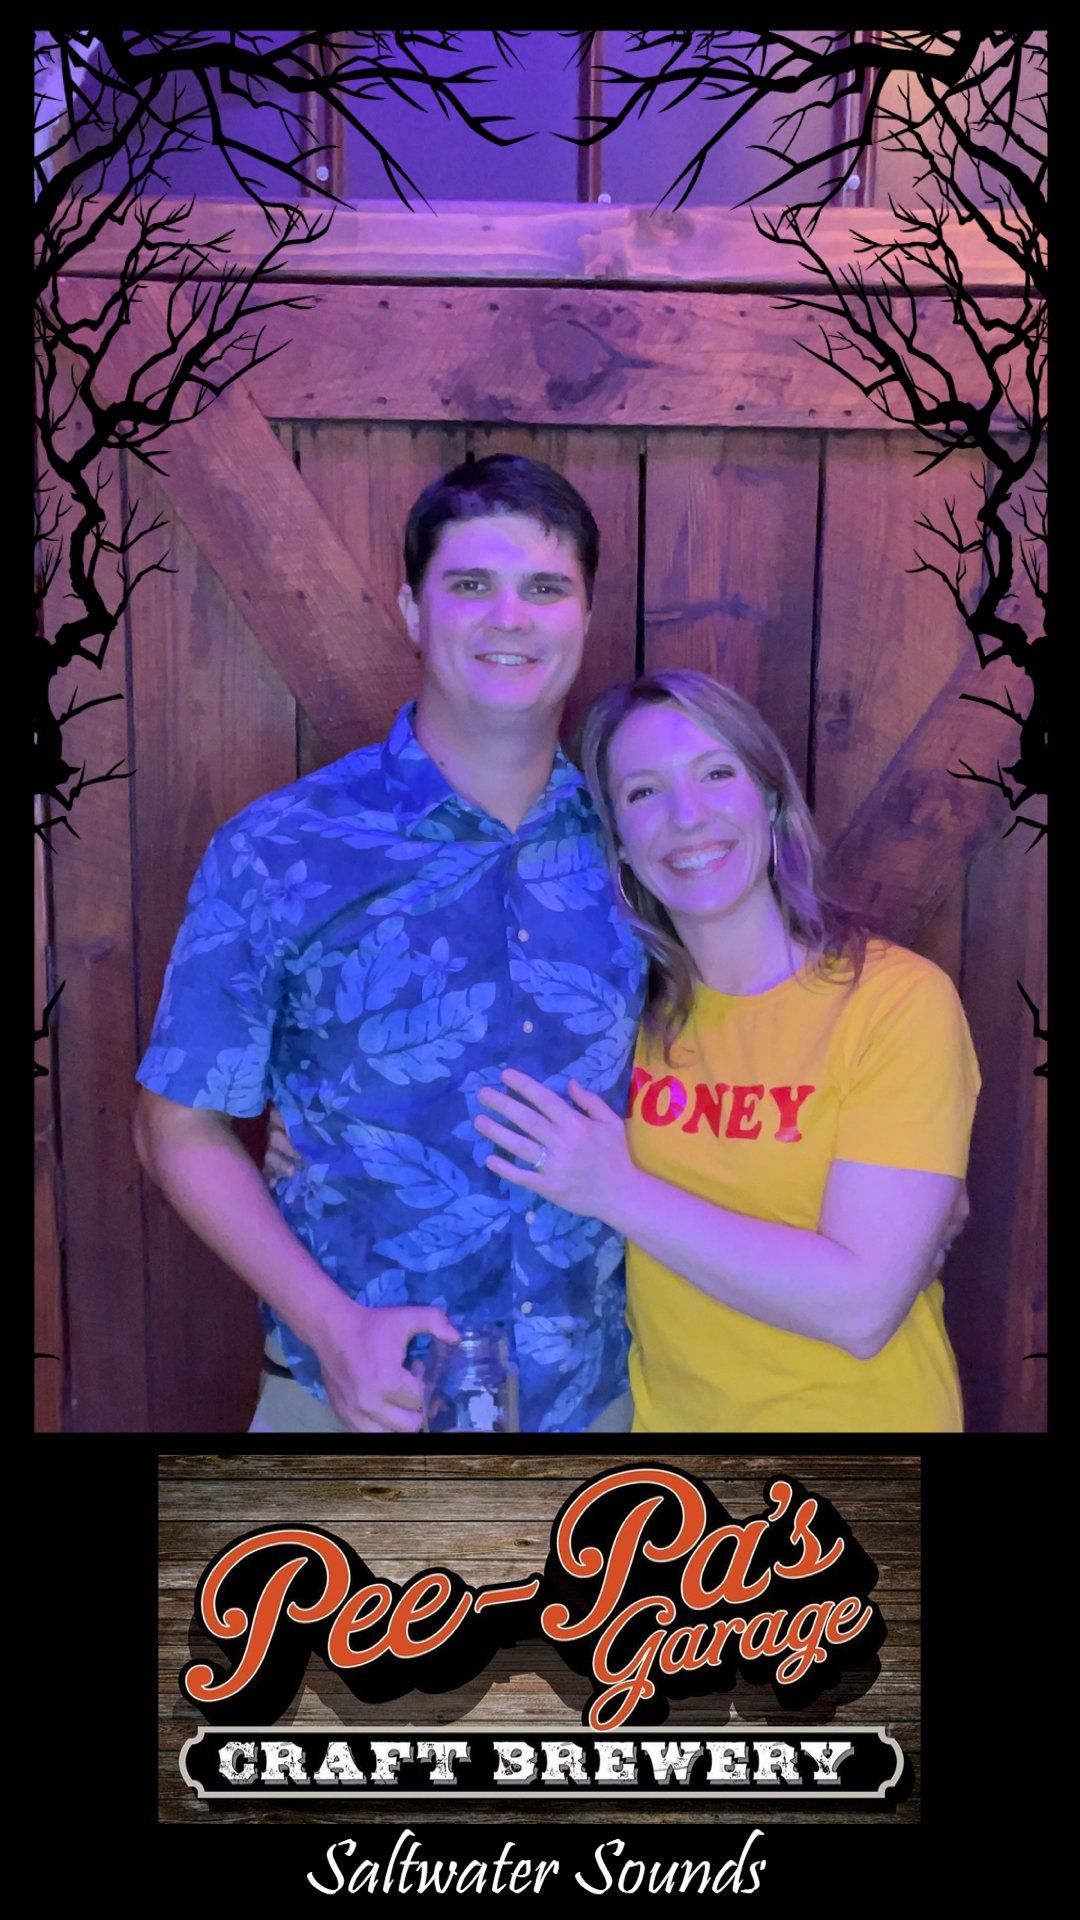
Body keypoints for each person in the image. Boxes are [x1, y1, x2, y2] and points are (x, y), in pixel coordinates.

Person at [133, 455, 646, 1434]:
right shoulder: (282, 849)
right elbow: (176, 1127)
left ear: (586, 615)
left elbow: (753, 1035)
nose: (509, 618)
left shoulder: (642, 844)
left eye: (545, 588)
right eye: (471, 585)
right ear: (414, 611)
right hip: (352, 1406)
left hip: (603, 1405)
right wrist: (331, 1328)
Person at [470, 669, 978, 1432]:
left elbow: (862, 1309)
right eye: (644, 792)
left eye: (715, 774)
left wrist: (617, 1191)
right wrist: (297, 1125)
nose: (687, 816)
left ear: (769, 798)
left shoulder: (896, 1003)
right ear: (620, 843)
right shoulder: (617, 1016)